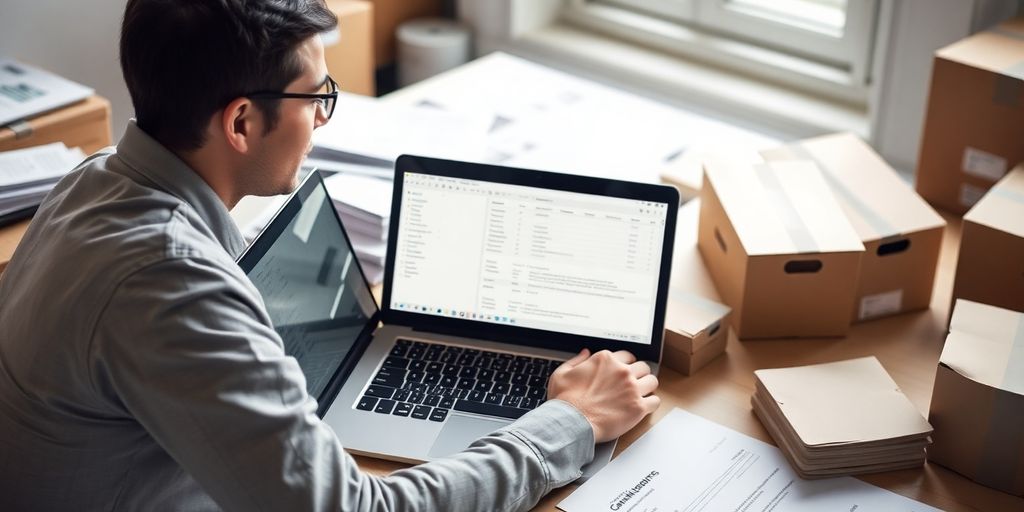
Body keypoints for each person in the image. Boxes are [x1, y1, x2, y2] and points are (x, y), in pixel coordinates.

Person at [0, 0, 660, 510]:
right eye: (316, 96)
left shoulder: (96, 178)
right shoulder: (167, 283)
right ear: (240, 123)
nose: (322, 117)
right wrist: (570, 422)